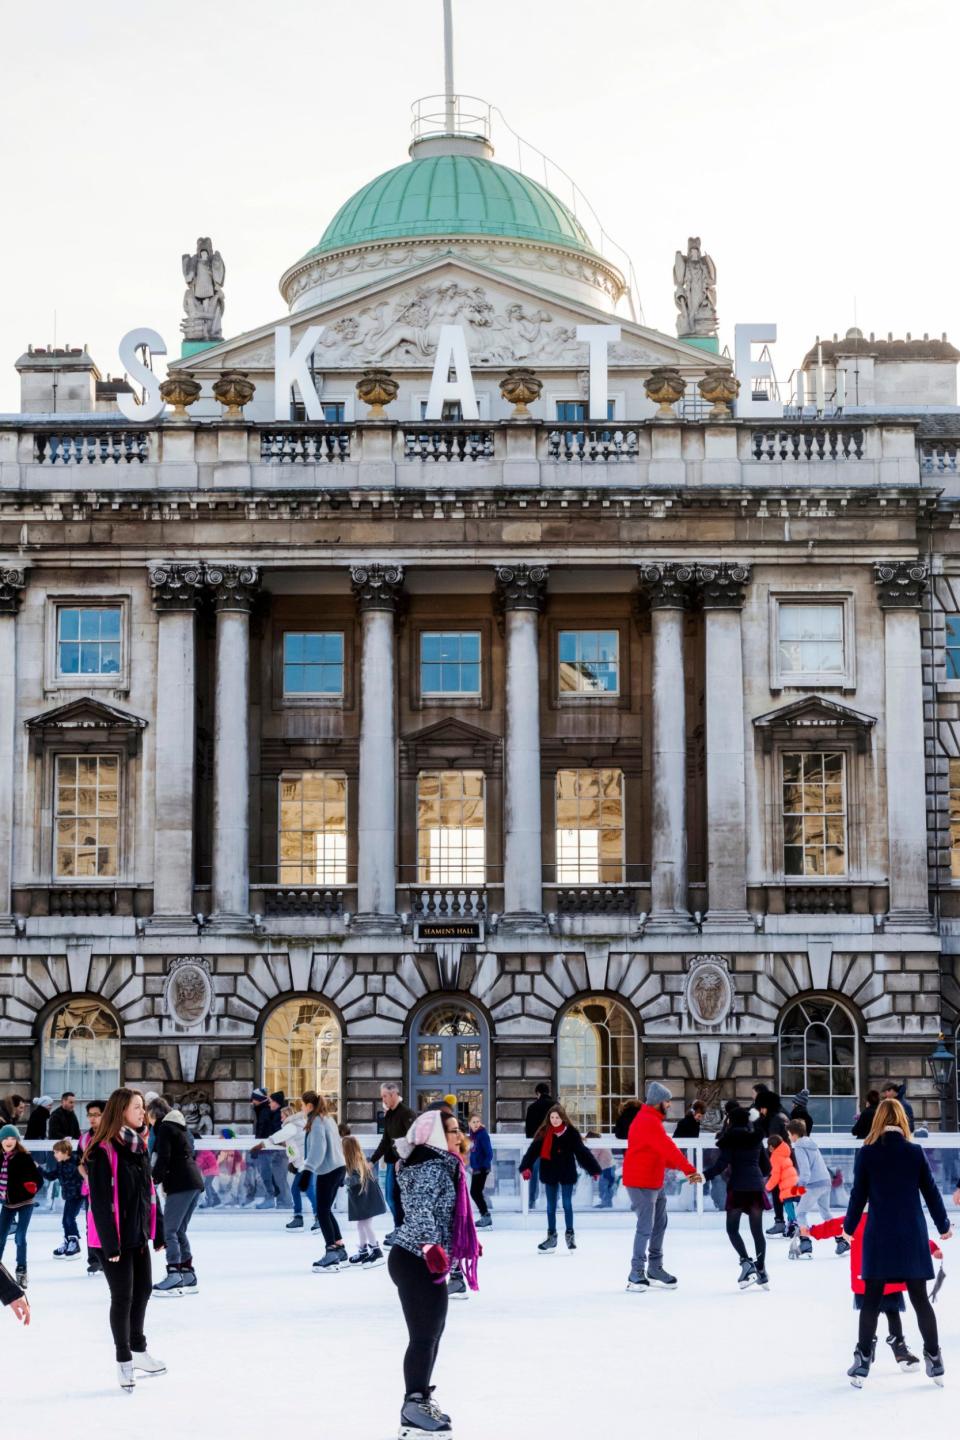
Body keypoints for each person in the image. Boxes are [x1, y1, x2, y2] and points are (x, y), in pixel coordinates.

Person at [841, 1096, 953, 1387]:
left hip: (880, 1237)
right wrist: (943, 1224)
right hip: (911, 1235)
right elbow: (931, 1192)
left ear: (878, 1121)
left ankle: (863, 1360)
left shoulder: (867, 1154)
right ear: (902, 1120)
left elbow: (858, 1195)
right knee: (920, 1300)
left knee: (872, 1300)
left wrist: (849, 1228)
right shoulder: (914, 1152)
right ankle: (934, 1359)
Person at [389, 1109, 480, 1438]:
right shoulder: (429, 1167)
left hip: (426, 1259)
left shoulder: (445, 1165)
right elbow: (420, 1208)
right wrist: (430, 1246)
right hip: (415, 1258)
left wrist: (464, 1244)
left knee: (433, 1333)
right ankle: (412, 1406)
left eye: (458, 1130)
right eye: (452, 1131)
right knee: (424, 1336)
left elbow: (447, 1215)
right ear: (437, 1137)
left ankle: (421, 1397)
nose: (459, 1136)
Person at [87, 1088, 166, 1391]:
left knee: (143, 1290)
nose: (142, 1111)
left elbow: (149, 1192)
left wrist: (156, 1230)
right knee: (123, 1297)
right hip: (113, 1239)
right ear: (120, 1111)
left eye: (143, 1107)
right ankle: (124, 1361)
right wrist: (110, 1244)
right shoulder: (101, 1150)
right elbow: (99, 1201)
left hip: (137, 1234)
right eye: (136, 1107)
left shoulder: (139, 1145)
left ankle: (139, 1350)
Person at [803, 1211, 942, 1373]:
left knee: (887, 1311)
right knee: (879, 1312)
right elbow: (832, 1227)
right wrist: (812, 1231)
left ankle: (894, 1347)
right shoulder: (863, 1219)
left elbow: (912, 1238)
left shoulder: (887, 1219)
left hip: (884, 1276)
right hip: (873, 1277)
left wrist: (932, 1248)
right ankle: (875, 1346)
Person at [622, 1081, 702, 1293]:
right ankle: (636, 1272)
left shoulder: (651, 1120)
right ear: (657, 1102)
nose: (669, 1105)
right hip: (640, 1182)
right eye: (667, 1101)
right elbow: (668, 1147)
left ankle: (655, 1268)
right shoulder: (647, 1121)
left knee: (660, 1223)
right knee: (645, 1226)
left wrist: (678, 1167)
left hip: (654, 1181)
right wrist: (689, 1169)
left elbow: (657, 1152)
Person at [702, 1106, 770, 1290]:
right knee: (757, 1232)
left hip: (738, 1188)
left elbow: (720, 1165)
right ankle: (761, 1270)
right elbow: (767, 1168)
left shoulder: (729, 1140)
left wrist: (702, 1176)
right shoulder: (756, 1138)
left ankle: (746, 1263)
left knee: (732, 1229)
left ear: (730, 1121)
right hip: (756, 1187)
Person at [520, 1103, 601, 1254]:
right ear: (548, 1118)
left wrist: (593, 1169)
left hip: (566, 1171)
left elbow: (582, 1152)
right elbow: (532, 1151)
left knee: (567, 1204)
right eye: (552, 1117)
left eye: (557, 1117)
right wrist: (526, 1167)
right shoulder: (544, 1132)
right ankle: (552, 1237)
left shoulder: (571, 1133)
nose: (555, 1120)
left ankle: (570, 1236)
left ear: (562, 1117)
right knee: (551, 1206)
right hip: (550, 1171)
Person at [152, 1107, 204, 1297]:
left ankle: (174, 1274)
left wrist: (154, 1177)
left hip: (181, 1183)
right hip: (194, 1182)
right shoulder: (182, 1129)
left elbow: (164, 1156)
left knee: (169, 1229)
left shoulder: (165, 1128)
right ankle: (187, 1274)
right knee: (179, 1229)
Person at [301, 1093, 347, 1272]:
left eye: (303, 1105)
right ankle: (339, 1247)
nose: (302, 1108)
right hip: (337, 1166)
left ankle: (331, 1252)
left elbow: (318, 1150)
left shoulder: (317, 1122)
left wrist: (307, 1170)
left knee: (321, 1211)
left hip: (328, 1170)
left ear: (310, 1106)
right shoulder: (327, 1119)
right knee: (325, 1209)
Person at [254, 1101, 311, 1231]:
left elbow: (277, 1137)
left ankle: (310, 1217)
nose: (281, 1118)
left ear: (288, 1115)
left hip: (304, 1164)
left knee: (306, 1191)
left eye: (282, 1116)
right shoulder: (296, 1125)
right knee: (298, 1189)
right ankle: (299, 1217)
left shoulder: (290, 1125)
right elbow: (292, 1146)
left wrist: (261, 1145)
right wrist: (292, 1160)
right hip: (302, 1163)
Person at [370, 1083, 416, 1239]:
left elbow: (413, 1139)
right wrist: (372, 1160)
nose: (382, 1099)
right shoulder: (388, 1114)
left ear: (394, 1094)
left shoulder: (406, 1113)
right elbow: (385, 1140)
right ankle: (399, 1227)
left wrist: (403, 1160)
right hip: (391, 1162)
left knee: (396, 1197)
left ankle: (403, 1230)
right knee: (391, 1197)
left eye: (384, 1096)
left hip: (404, 1165)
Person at [0, 1124, 42, 1287]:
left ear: (17, 1141)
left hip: (25, 1203)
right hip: (7, 1203)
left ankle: (22, 1270)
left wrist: (32, 1188)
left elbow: (39, 1180)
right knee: (1, 1238)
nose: (9, 1141)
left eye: (13, 1138)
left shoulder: (24, 1157)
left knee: (19, 1237)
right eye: (5, 1138)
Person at [787, 1119, 832, 1255]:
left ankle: (805, 1242)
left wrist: (799, 1188)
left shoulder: (799, 1146)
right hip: (825, 1181)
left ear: (794, 1134)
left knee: (800, 1213)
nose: (789, 1137)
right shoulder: (811, 1144)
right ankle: (841, 1238)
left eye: (789, 1134)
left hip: (814, 1184)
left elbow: (805, 1172)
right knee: (825, 1213)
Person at [342, 1133, 387, 1267]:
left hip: (367, 1200)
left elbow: (356, 1179)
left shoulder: (356, 1161)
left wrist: (343, 1181)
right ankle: (363, 1250)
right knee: (361, 1224)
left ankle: (376, 1250)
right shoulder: (355, 1160)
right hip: (364, 1199)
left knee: (366, 1225)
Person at [752, 1085, 789, 1234]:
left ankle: (781, 1221)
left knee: (778, 1191)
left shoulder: (775, 1120)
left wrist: (765, 1163)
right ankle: (785, 1222)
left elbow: (773, 1143)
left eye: (762, 1108)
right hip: (785, 1160)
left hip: (780, 1162)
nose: (761, 1111)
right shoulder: (780, 1116)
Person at [43, 1138, 84, 1259]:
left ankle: (74, 1243)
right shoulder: (60, 1164)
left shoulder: (76, 1160)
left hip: (77, 1195)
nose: (54, 1155)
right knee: (65, 1220)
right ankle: (68, 1242)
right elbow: (51, 1176)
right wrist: (38, 1168)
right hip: (69, 1196)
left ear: (65, 1152)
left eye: (56, 1152)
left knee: (70, 1218)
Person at [78, 1100, 104, 1273]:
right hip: (92, 1188)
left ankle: (108, 1255)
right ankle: (94, 1258)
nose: (92, 1119)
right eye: (90, 1115)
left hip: (110, 1187)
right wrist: (87, 1177)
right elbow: (80, 1163)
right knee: (91, 1222)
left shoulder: (111, 1136)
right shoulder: (85, 1138)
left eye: (96, 1115)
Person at [250, 1088, 287, 1208]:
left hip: (268, 1149)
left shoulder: (265, 1111)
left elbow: (264, 1130)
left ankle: (277, 1200)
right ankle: (279, 1200)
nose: (252, 1101)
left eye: (254, 1099)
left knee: (270, 1175)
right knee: (272, 1175)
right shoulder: (264, 1110)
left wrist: (258, 1147)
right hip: (267, 1148)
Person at [522, 1082, 554, 1210]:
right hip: (553, 1147)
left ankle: (531, 1201)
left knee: (533, 1174)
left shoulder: (532, 1108)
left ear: (538, 1093)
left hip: (537, 1146)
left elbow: (529, 1133)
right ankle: (553, 1201)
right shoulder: (556, 1106)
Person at [766, 1135, 801, 1237]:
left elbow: (775, 1176)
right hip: (793, 1181)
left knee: (788, 1204)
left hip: (787, 1184)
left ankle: (794, 1224)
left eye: (769, 1146)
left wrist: (768, 1187)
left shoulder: (775, 1157)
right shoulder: (785, 1154)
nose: (768, 1148)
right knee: (790, 1204)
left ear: (772, 1147)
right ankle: (791, 1226)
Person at [467, 1114, 493, 1228]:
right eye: (473, 1122)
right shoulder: (473, 1135)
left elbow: (489, 1152)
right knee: (477, 1192)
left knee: (475, 1192)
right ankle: (485, 1215)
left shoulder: (482, 1134)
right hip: (476, 1168)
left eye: (478, 1121)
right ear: (469, 1124)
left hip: (481, 1168)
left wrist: (483, 1166)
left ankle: (486, 1216)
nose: (476, 1124)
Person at [586, 1132, 617, 1209]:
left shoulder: (597, 1146)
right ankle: (607, 1203)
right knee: (608, 1186)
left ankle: (606, 1204)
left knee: (603, 1186)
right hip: (611, 1167)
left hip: (606, 1168)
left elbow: (592, 1157)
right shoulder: (602, 1143)